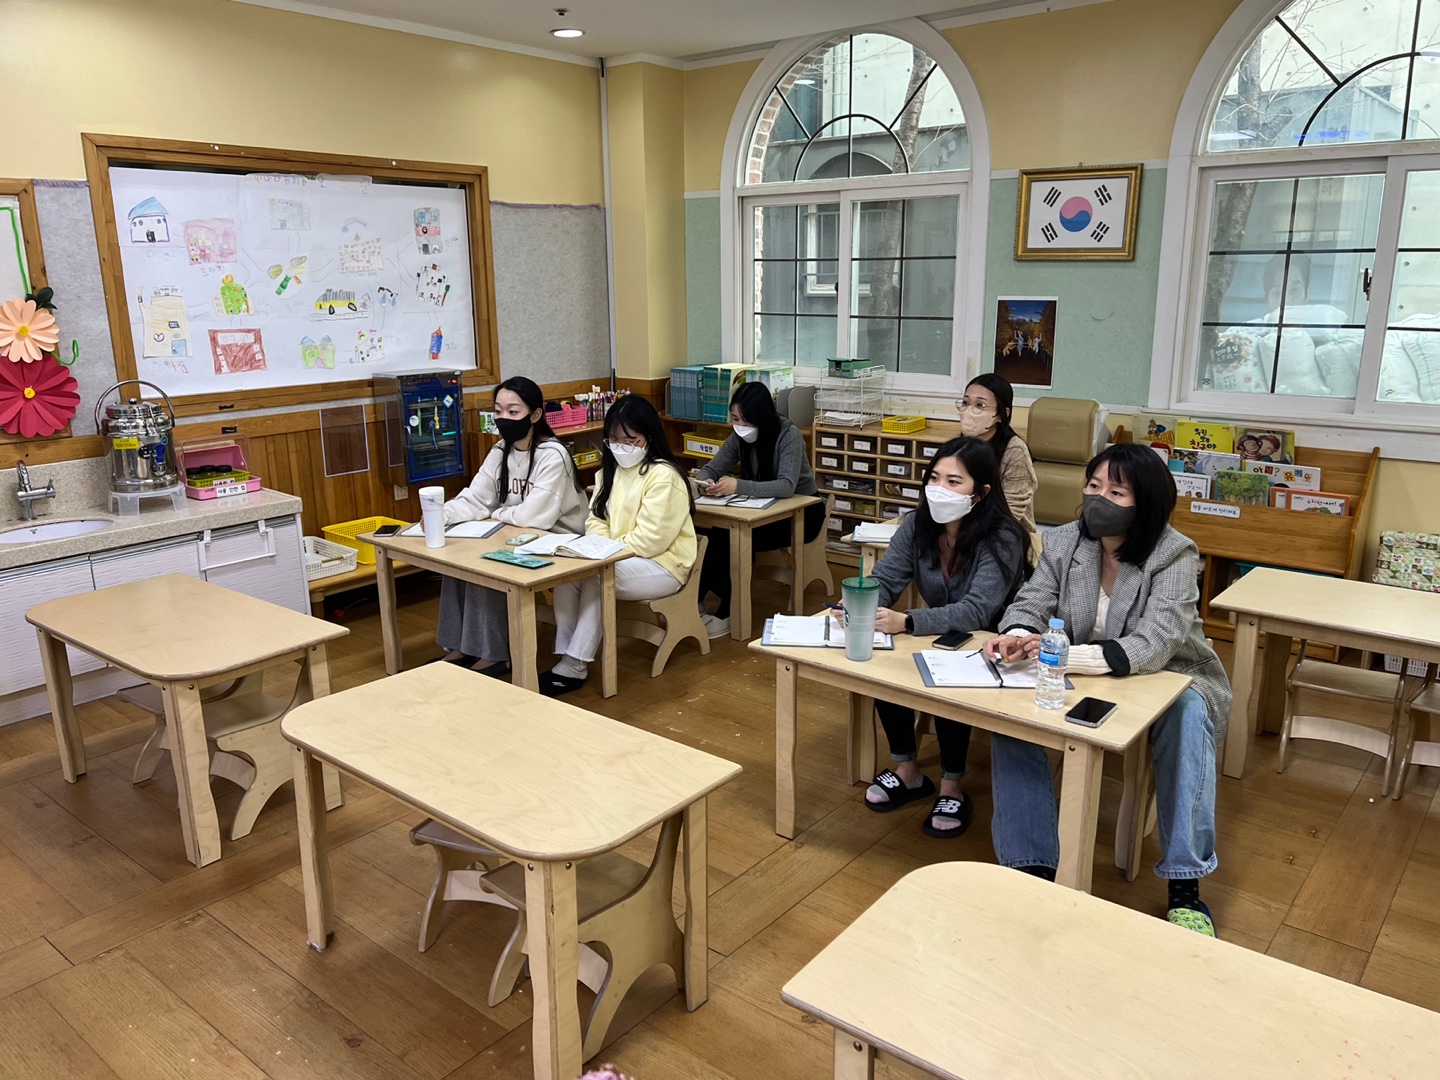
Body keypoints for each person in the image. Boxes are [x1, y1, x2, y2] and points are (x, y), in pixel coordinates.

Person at [982, 442, 1232, 937]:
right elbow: (1032, 601)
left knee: (1186, 713)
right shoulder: (1064, 541)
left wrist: (1061, 655)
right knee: (1010, 709)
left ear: (1146, 504)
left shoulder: (1174, 552)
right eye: (1094, 486)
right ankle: (1032, 867)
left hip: (1169, 673)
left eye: (1116, 492)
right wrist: (1017, 634)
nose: (1098, 498)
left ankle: (1185, 885)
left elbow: (1156, 642)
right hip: (1076, 670)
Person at [861, 437, 1029, 837]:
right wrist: (860, 604)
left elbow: (977, 611)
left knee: (949, 679)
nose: (939, 489)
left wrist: (907, 622)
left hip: (994, 643)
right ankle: (908, 770)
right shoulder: (917, 524)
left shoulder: (1003, 536)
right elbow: (886, 578)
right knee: (883, 661)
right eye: (934, 478)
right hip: (938, 632)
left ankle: (952, 785)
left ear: (981, 493)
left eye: (954, 482)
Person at [543, 395, 697, 697]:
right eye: (614, 440)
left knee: (599, 576)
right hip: (621, 557)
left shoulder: (663, 475)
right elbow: (595, 520)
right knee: (567, 573)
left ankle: (575, 664)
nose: (621, 447)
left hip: (664, 564)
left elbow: (650, 541)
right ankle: (567, 652)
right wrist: (602, 549)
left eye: (630, 440)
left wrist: (605, 552)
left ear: (649, 438)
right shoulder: (609, 472)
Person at [436, 376, 587, 675]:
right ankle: (461, 647)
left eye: (513, 411)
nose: (503, 418)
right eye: (498, 411)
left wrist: (497, 513)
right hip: (515, 534)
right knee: (456, 561)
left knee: (485, 562)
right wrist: (442, 515)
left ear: (535, 415)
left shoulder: (552, 455)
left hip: (557, 540)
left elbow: (535, 518)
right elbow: (477, 498)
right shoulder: (499, 451)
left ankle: (493, 655)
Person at [695, 382, 824, 638]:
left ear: (762, 417)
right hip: (758, 511)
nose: (740, 425)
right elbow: (711, 468)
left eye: (746, 420)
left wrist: (737, 485)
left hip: (802, 514)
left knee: (731, 538)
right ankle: (697, 600)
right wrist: (705, 482)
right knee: (712, 533)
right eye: (735, 419)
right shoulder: (739, 436)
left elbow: (786, 486)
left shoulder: (788, 435)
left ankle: (729, 610)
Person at [956, 373, 1039, 550]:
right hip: (960, 530)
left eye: (980, 405)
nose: (969, 410)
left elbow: (1011, 513)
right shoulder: (956, 446)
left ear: (1001, 414)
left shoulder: (1014, 450)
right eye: (965, 402)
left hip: (1005, 537)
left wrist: (970, 536)